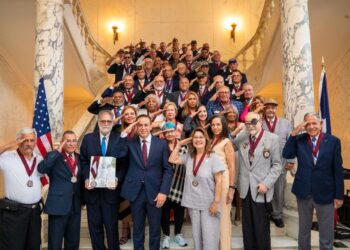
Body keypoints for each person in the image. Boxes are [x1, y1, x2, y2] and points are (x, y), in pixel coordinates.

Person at [283, 112, 344, 250]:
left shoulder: (333, 141)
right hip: (304, 191)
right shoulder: (299, 139)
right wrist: (294, 133)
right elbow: (286, 154)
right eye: (308, 124)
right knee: (303, 230)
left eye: (314, 123)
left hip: (326, 192)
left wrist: (339, 195)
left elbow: (338, 170)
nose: (311, 127)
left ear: (320, 124)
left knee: (326, 232)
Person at [120, 115, 173, 250]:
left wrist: (163, 192)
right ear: (136, 127)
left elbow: (167, 170)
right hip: (136, 192)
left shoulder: (161, 144)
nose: (143, 128)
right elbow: (119, 155)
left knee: (155, 229)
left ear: (151, 126)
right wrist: (124, 135)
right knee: (137, 229)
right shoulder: (129, 143)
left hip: (156, 193)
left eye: (146, 125)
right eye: (140, 125)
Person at [232, 112, 282, 250]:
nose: (250, 125)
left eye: (253, 121)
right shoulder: (243, 136)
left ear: (260, 121)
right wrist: (236, 131)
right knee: (247, 226)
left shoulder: (273, 139)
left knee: (261, 226)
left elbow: (277, 165)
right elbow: (229, 146)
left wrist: (266, 183)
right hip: (245, 187)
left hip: (261, 189)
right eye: (247, 123)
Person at [169, 127, 225, 250]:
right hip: (193, 202)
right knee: (197, 237)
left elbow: (219, 181)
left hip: (209, 203)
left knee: (210, 237)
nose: (198, 140)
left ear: (206, 140)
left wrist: (216, 202)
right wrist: (179, 144)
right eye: (195, 138)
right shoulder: (189, 156)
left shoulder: (213, 157)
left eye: (201, 137)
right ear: (191, 140)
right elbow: (172, 159)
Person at [80, 110, 128, 250]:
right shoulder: (88, 139)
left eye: (108, 121)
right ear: (98, 122)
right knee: (94, 228)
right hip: (92, 192)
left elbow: (123, 163)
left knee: (112, 227)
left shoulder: (119, 139)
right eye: (103, 121)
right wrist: (86, 178)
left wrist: (117, 178)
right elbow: (83, 161)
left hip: (110, 193)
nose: (105, 124)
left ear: (113, 123)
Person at [38, 130, 82, 250]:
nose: (71, 144)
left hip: (75, 205)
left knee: (73, 241)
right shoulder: (54, 156)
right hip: (58, 206)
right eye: (68, 141)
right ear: (62, 142)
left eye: (74, 141)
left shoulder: (79, 158)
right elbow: (42, 169)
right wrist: (57, 151)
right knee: (55, 242)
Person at [0, 128, 43, 250]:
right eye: (25, 140)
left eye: (32, 140)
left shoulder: (39, 159)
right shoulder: (6, 157)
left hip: (34, 213)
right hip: (14, 213)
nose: (29, 144)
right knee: (13, 246)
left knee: (33, 246)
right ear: (19, 141)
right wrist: (10, 144)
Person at [262, 98, 295, 228]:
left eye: (273, 107)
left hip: (280, 162)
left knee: (278, 189)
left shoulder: (285, 123)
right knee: (263, 188)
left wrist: (291, 160)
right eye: (268, 107)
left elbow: (291, 142)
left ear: (276, 109)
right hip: (262, 162)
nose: (271, 109)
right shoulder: (259, 122)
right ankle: (264, 213)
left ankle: (277, 215)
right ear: (264, 109)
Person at [208, 115, 236, 250]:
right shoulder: (210, 141)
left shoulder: (226, 142)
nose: (215, 127)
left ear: (223, 125)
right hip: (211, 184)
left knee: (224, 220)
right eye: (213, 125)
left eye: (218, 124)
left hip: (224, 183)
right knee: (214, 220)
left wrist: (231, 187)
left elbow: (231, 166)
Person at [159, 122, 188, 248]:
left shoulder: (185, 145)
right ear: (164, 134)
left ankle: (178, 234)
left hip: (180, 183)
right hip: (164, 184)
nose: (170, 134)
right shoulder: (160, 146)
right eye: (167, 131)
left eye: (172, 131)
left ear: (177, 131)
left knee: (179, 211)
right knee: (164, 212)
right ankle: (165, 236)